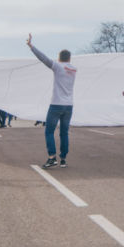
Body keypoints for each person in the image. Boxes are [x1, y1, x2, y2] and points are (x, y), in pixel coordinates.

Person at [27, 34, 77, 169]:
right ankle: (63, 159)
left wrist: (31, 46)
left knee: (49, 131)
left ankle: (52, 157)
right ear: (69, 58)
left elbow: (43, 58)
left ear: (59, 58)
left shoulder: (58, 66)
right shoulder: (73, 69)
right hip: (69, 106)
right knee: (64, 132)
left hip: (56, 104)